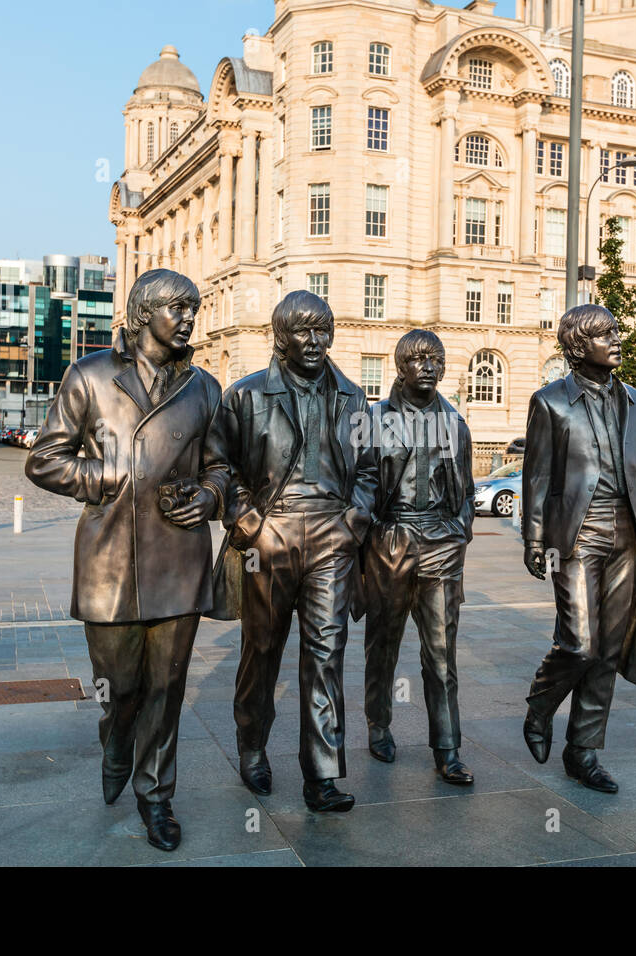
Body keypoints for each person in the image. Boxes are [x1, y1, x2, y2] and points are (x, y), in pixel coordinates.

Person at [25, 269, 227, 852]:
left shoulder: (204, 388)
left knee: (166, 689)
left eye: (193, 307)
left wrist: (210, 496)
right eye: (176, 307)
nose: (189, 317)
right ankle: (115, 740)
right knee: (121, 687)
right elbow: (44, 461)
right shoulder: (89, 376)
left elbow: (221, 466)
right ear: (143, 314)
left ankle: (156, 796)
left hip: (179, 559)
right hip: (110, 559)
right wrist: (106, 476)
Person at [207, 291, 376, 812]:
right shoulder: (246, 396)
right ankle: (252, 743)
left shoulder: (352, 396)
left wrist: (354, 519)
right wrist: (247, 520)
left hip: (332, 535)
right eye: (303, 331)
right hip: (271, 535)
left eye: (322, 330)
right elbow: (219, 466)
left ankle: (322, 775)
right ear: (280, 336)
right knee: (262, 650)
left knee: (326, 654)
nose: (315, 340)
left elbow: (370, 468)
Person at [520, 304, 636, 794]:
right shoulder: (551, 402)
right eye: (604, 334)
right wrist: (533, 536)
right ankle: (540, 705)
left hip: (630, 535)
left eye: (616, 331)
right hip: (577, 533)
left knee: (608, 650)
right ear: (577, 346)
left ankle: (583, 750)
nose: (617, 340)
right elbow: (538, 475)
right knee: (579, 643)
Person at [360, 330, 476, 786]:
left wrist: (459, 531)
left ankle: (447, 748)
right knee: (383, 644)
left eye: (436, 359)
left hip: (442, 542)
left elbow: (465, 491)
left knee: (442, 654)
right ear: (400, 366)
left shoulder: (456, 424)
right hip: (392, 538)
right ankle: (378, 722)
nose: (428, 366)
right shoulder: (373, 420)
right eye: (418, 359)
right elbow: (362, 483)